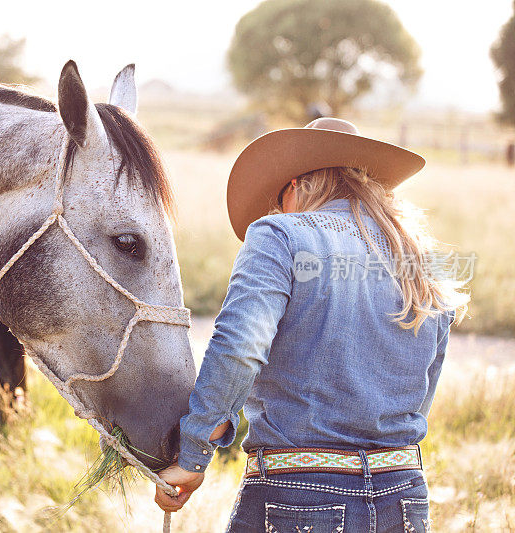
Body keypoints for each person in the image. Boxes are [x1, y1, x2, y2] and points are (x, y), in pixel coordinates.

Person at [155, 118, 468, 532]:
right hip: (403, 494)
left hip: (299, 495)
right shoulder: (419, 258)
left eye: (278, 199)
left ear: (297, 185)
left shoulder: (279, 235)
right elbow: (428, 377)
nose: (276, 211)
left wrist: (194, 454)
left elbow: (240, 348)